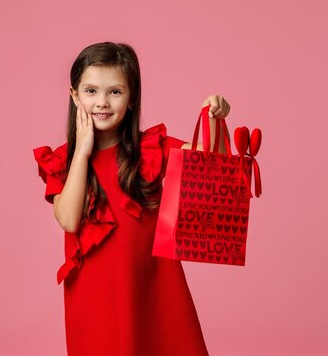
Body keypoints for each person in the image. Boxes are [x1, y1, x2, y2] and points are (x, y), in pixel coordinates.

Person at [33, 42, 230, 356]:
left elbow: (213, 168)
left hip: (153, 289)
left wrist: (216, 122)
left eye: (115, 92)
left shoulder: (152, 148)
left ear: (132, 96)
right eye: (91, 91)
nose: (102, 102)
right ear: (74, 95)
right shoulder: (63, 161)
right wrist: (82, 152)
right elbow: (68, 219)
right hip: (94, 296)